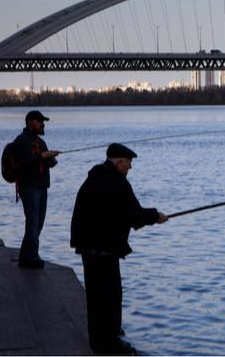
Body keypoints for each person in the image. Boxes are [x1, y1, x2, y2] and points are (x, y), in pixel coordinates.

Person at [70, 143, 168, 355]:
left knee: (96, 299)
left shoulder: (94, 178)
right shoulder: (117, 182)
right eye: (129, 162)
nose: (130, 167)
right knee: (110, 297)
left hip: (88, 248)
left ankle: (99, 341)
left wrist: (143, 218)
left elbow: (120, 213)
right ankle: (111, 344)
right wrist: (156, 216)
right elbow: (134, 213)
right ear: (120, 161)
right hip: (104, 250)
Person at [13, 110, 60, 268]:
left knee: (38, 223)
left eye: (43, 122)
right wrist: (43, 156)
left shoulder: (40, 141)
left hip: (42, 187)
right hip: (29, 187)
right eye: (39, 121)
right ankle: (31, 257)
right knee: (33, 222)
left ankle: (25, 256)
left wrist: (51, 159)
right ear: (29, 123)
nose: (42, 124)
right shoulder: (21, 140)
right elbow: (25, 162)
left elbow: (44, 161)